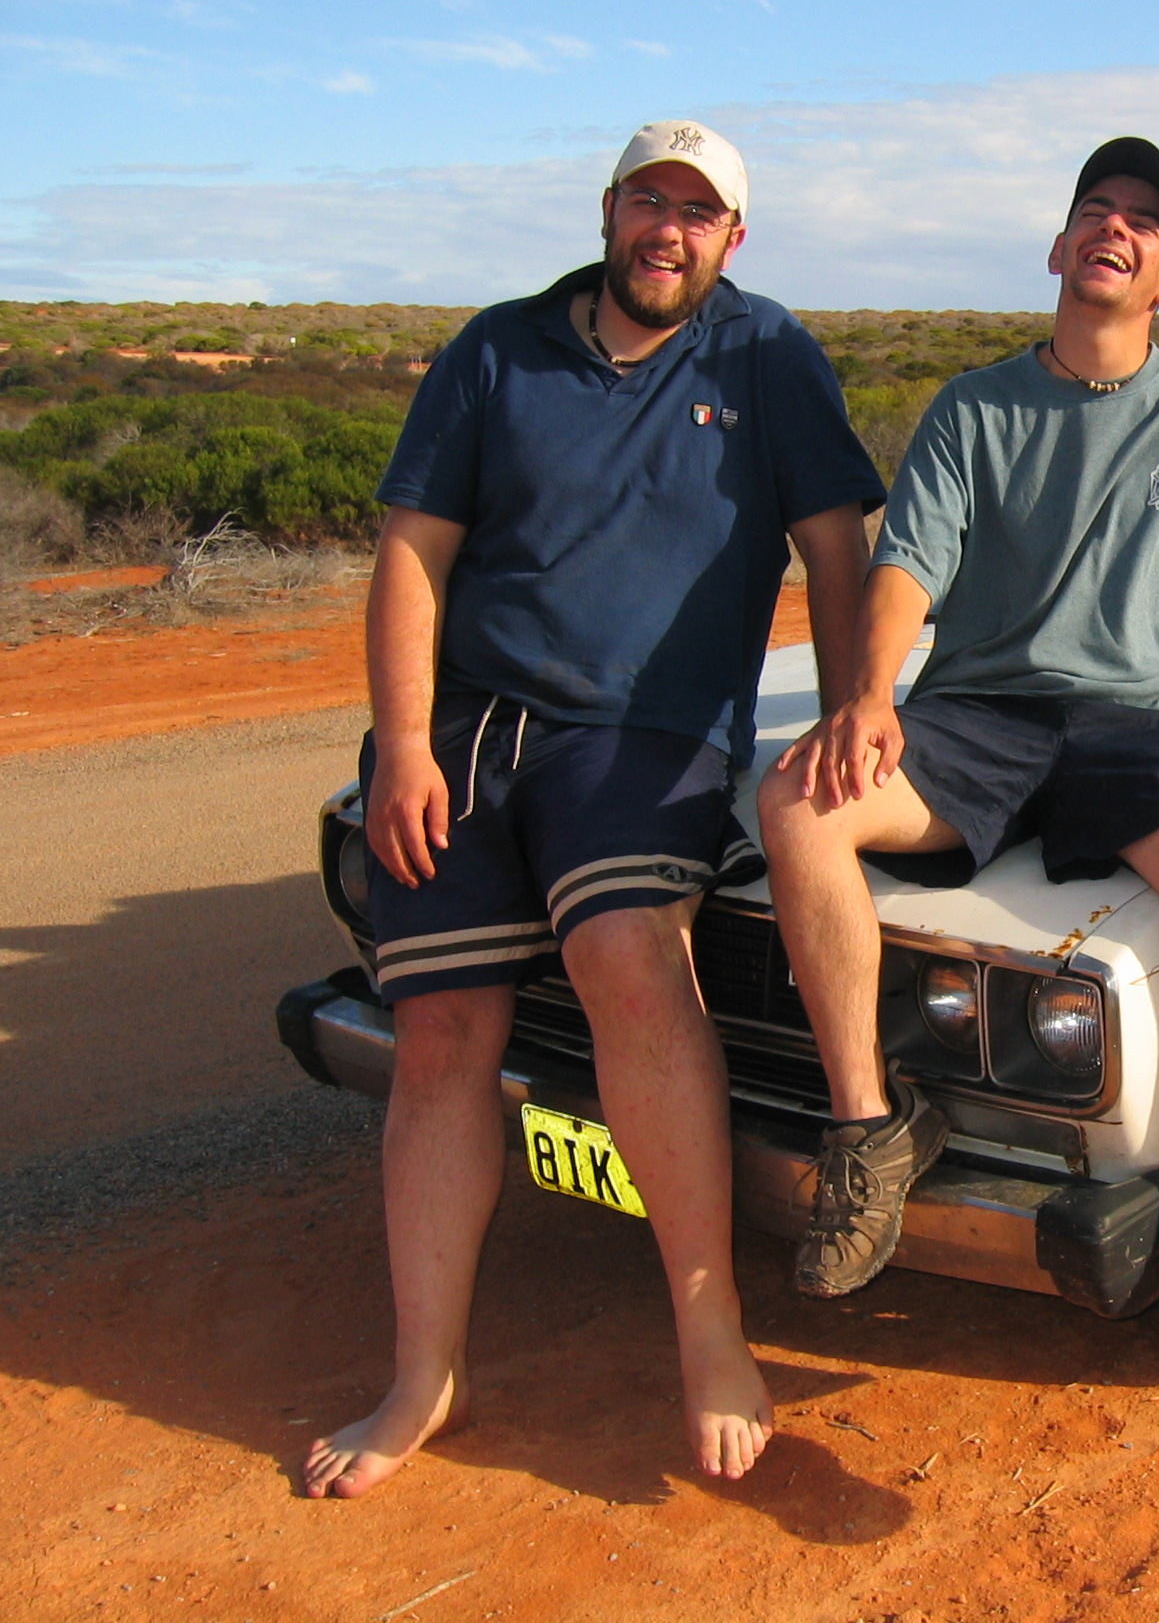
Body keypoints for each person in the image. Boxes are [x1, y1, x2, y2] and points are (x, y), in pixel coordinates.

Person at [304, 120, 881, 1497]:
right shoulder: (498, 350)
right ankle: (423, 1375)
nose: (666, 230)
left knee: (630, 955)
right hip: (472, 731)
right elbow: (412, 553)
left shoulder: (765, 355)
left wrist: (852, 705)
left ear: (732, 237)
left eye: (697, 211)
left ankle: (710, 1333)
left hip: (646, 731)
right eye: (646, 201)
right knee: (439, 1032)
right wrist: (403, 744)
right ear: (610, 210)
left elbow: (836, 549)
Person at [757, 137, 1159, 1383]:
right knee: (796, 803)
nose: (1115, 227)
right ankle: (869, 1130)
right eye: (1095, 208)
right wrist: (867, 698)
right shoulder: (973, 406)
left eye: (1144, 221)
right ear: (1058, 248)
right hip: (981, 713)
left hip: (1144, 721)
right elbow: (907, 566)